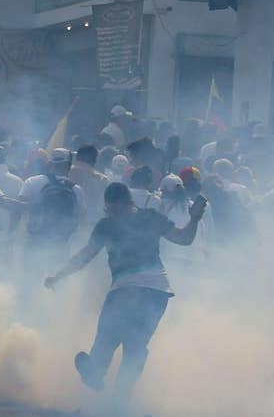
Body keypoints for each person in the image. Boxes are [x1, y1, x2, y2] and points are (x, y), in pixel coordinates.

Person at [44, 183, 207, 404]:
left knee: (117, 340)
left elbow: (184, 239)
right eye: (110, 210)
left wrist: (195, 219)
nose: (114, 213)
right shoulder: (134, 220)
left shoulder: (122, 222)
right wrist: (59, 275)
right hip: (154, 291)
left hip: (139, 289)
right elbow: (184, 238)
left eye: (114, 209)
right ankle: (110, 391)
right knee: (127, 343)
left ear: (124, 203)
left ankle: (104, 383)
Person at [16, 148, 86, 274]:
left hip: (34, 241)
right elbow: (80, 216)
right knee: (56, 282)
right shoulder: (77, 190)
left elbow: (20, 207)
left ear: (50, 164)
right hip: (61, 244)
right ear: (69, 166)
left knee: (29, 281)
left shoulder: (32, 182)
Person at [69, 144, 110, 225]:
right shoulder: (103, 179)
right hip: (90, 222)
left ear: (77, 156)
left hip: (69, 221)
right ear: (95, 159)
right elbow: (103, 205)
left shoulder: (67, 171)